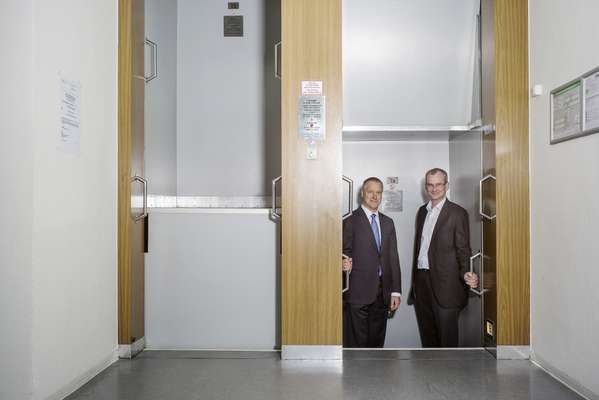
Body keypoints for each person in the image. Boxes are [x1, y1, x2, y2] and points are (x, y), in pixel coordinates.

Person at [407, 168, 479, 347]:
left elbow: (463, 249)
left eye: (438, 184)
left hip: (447, 287)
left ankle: (449, 376)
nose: (434, 189)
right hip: (422, 283)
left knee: (447, 342)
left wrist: (468, 273)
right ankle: (430, 375)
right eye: (430, 185)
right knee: (428, 337)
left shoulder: (457, 213)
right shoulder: (422, 212)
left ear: (446, 186)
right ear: (426, 187)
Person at [342, 177, 401, 348]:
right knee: (357, 345)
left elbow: (393, 258)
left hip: (382, 294)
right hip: (357, 294)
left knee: (377, 346)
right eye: (370, 192)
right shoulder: (349, 220)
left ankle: (376, 376)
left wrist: (395, 291)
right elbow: (341, 253)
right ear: (362, 194)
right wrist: (341, 264)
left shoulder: (388, 223)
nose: (375, 196)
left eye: (378, 192)